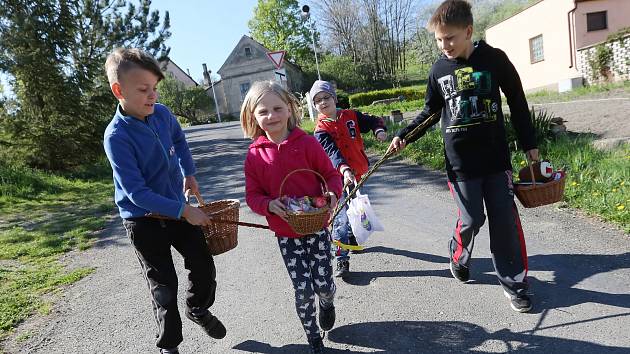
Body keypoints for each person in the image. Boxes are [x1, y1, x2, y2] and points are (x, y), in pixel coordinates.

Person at [387, 0, 539, 313]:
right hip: (460, 166)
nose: (445, 46)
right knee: (471, 219)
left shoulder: (494, 60)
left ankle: (516, 284)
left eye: (451, 38)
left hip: (497, 161)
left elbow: (518, 101)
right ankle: (459, 252)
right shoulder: (439, 70)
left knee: (505, 222)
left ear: (468, 31)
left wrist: (529, 144)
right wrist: (405, 135)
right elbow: (431, 111)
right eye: (439, 40)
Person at [103, 48, 226, 354]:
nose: (152, 96)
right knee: (164, 289)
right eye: (143, 90)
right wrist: (185, 210)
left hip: (176, 207)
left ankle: (197, 308)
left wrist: (190, 174)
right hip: (143, 220)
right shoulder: (116, 136)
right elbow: (137, 193)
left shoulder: (164, 114)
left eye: (155, 88)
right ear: (119, 91)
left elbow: (180, 141)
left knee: (203, 265)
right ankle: (169, 346)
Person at [241, 81, 343, 353]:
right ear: (253, 116)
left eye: (277, 108)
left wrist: (333, 193)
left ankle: (327, 302)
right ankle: (314, 340)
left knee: (322, 285)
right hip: (287, 236)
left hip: (317, 228)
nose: (271, 116)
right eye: (263, 112)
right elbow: (252, 196)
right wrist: (268, 205)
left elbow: (331, 175)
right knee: (302, 290)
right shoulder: (254, 155)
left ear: (289, 109)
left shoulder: (307, 143)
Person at [310, 80, 388, 278]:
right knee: (341, 218)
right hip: (336, 180)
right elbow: (332, 153)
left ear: (334, 99)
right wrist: (344, 170)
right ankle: (341, 258)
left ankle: (353, 240)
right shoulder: (320, 130)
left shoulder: (351, 116)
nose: (323, 102)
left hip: (359, 174)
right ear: (314, 106)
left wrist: (379, 130)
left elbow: (373, 120)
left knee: (357, 208)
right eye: (317, 100)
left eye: (326, 97)